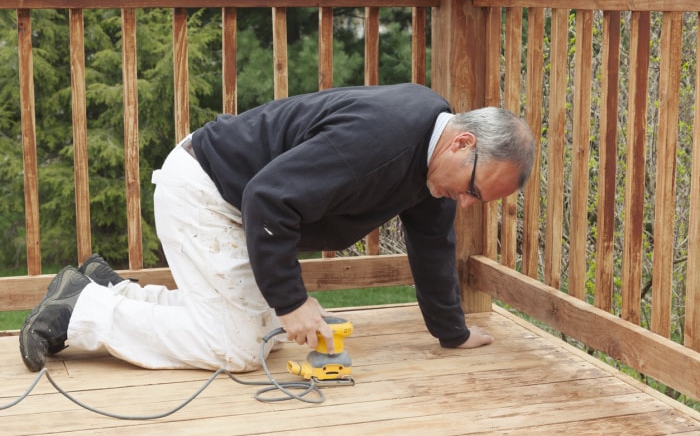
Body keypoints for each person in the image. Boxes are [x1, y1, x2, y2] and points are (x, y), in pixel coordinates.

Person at [19, 83, 535, 373]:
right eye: (474, 188)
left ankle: (108, 290)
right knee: (239, 348)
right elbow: (267, 197)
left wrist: (454, 333)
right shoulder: (384, 138)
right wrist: (290, 300)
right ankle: (82, 313)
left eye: (478, 200)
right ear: (463, 143)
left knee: (265, 333)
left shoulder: (432, 168)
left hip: (242, 203)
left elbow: (432, 248)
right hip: (207, 190)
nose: (467, 204)